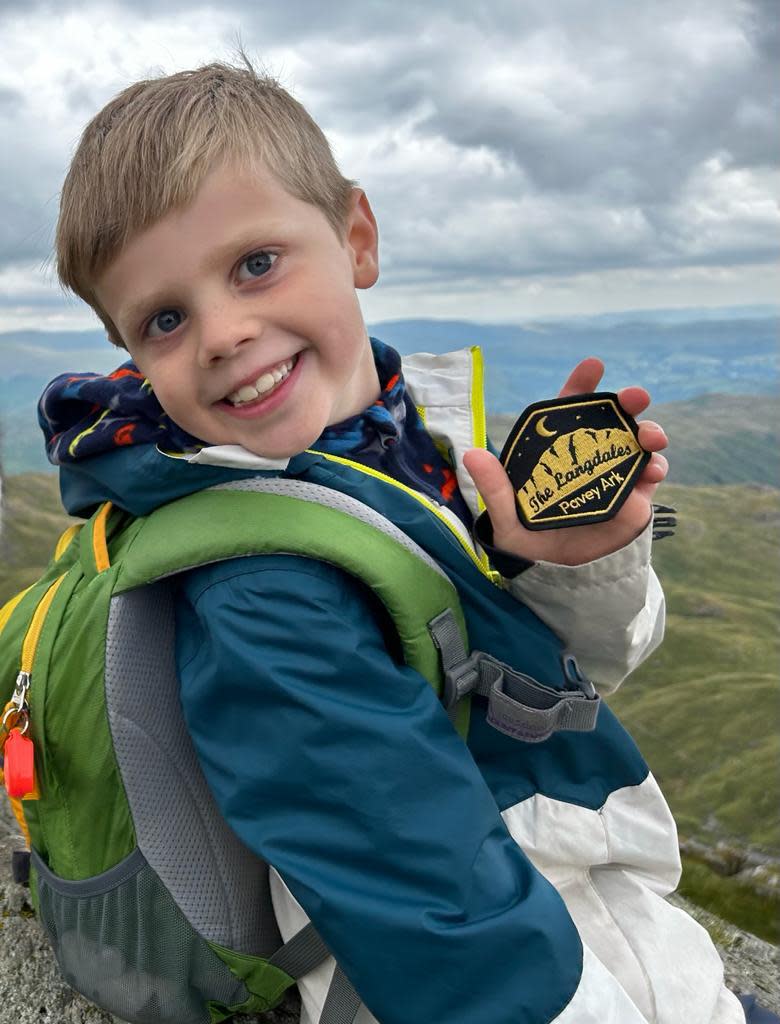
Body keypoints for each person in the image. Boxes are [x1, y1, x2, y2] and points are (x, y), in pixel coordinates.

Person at [38, 59, 756, 1024]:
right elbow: (434, 916)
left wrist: (569, 566)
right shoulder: (263, 594)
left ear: (357, 238)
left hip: (568, 914)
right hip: (503, 968)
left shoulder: (392, 451)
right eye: (164, 319)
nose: (221, 332)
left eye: (255, 264)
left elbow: (569, 673)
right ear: (133, 351)